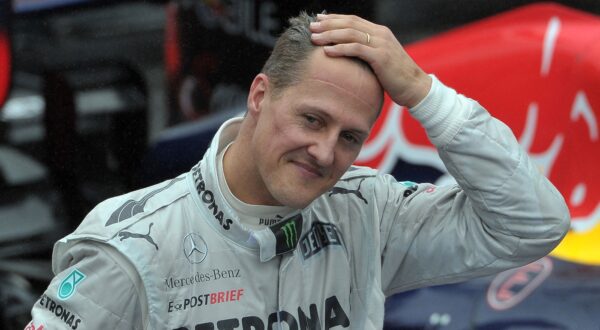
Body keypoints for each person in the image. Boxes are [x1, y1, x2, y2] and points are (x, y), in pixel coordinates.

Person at [27, 12, 569, 330]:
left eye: (350, 137)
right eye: (312, 119)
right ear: (259, 94)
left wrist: (425, 94)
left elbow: (533, 225)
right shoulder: (130, 246)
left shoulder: (369, 212)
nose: (324, 150)